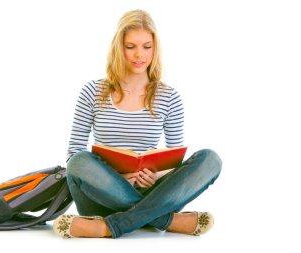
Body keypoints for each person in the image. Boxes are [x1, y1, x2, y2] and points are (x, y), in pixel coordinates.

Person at [53, 9, 222, 239]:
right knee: (79, 162)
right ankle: (165, 221)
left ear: (155, 48)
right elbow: (74, 154)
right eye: (130, 46)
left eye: (146, 46)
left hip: (151, 191)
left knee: (210, 160)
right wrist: (116, 179)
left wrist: (158, 176)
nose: (138, 55)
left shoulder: (169, 97)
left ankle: (109, 227)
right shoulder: (92, 92)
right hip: (100, 195)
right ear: (118, 48)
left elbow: (175, 158)